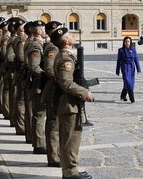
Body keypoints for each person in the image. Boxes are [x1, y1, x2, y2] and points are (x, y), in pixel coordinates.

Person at [51, 27, 93, 179]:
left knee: (71, 139)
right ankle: (70, 173)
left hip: (70, 103)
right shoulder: (66, 58)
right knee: (70, 140)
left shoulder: (65, 55)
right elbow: (66, 83)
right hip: (68, 105)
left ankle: (70, 170)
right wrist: (85, 92)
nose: (73, 35)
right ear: (66, 41)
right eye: (70, 34)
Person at [41, 21, 62, 167]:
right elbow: (49, 69)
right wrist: (62, 81)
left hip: (56, 88)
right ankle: (54, 157)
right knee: (53, 124)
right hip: (54, 89)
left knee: (56, 123)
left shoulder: (55, 46)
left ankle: (56, 155)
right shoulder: (53, 47)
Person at [27, 20, 47, 154]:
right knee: (39, 115)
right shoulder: (35, 45)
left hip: (39, 83)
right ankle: (39, 145)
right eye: (44, 29)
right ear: (39, 31)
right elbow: (34, 66)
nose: (45, 32)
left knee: (39, 114)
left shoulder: (38, 43)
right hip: (38, 84)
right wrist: (47, 75)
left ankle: (39, 143)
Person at [116, 36, 141, 103]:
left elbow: (136, 59)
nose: (127, 43)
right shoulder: (121, 50)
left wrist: (138, 68)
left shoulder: (133, 49)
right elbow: (119, 60)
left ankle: (123, 95)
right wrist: (117, 70)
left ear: (130, 42)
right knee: (128, 82)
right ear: (124, 42)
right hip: (125, 67)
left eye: (128, 41)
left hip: (132, 67)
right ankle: (132, 98)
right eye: (126, 41)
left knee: (130, 83)